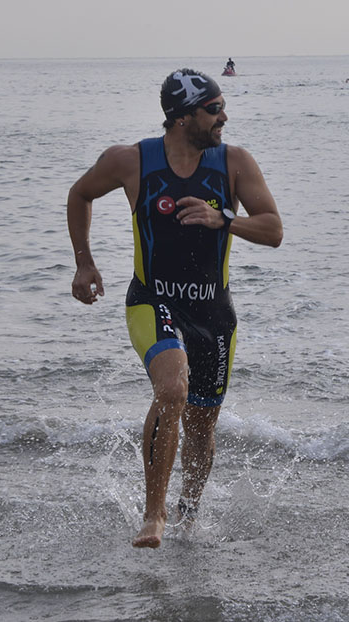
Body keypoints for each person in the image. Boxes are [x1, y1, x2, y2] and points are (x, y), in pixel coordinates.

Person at [67, 68, 282, 548]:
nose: (224, 117)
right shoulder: (131, 161)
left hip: (213, 313)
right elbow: (80, 194)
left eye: (222, 106)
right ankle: (154, 515)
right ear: (183, 118)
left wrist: (222, 218)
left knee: (202, 425)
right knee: (172, 387)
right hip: (153, 299)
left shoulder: (234, 164)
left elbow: (273, 230)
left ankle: (188, 510)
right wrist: (85, 264)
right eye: (214, 109)